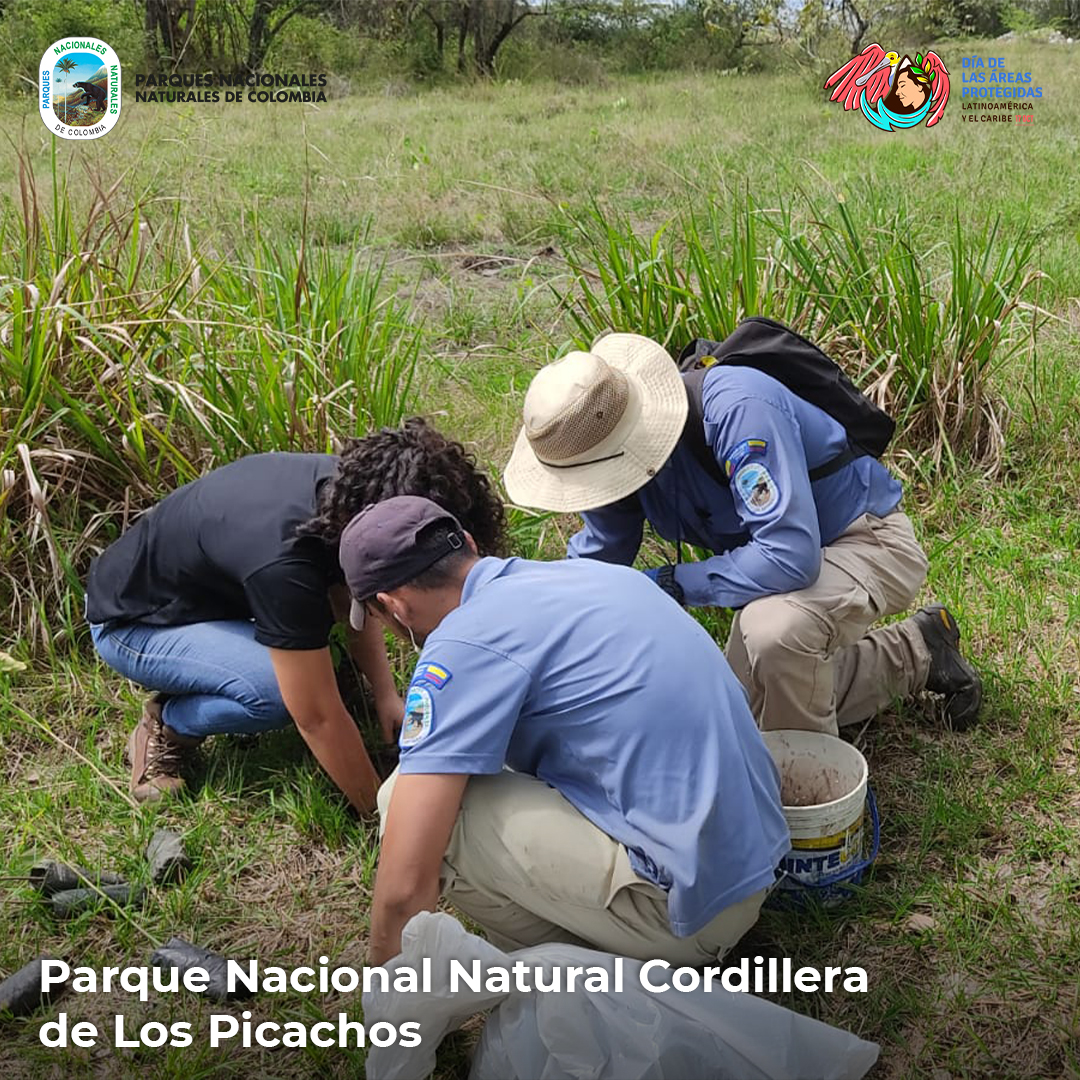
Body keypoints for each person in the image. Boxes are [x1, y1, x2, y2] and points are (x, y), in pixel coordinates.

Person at [342, 496, 790, 966]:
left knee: (405, 803)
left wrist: (386, 993)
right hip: (760, 861)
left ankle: (580, 970)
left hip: (689, 919)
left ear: (392, 607)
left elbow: (403, 885)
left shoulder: (463, 643)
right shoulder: (592, 575)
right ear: (469, 544)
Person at [502, 332, 982, 737]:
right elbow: (598, 560)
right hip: (777, 566)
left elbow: (790, 556)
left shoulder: (738, 409)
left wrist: (671, 584)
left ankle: (798, 801)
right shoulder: (603, 451)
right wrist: (540, 619)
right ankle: (920, 651)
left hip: (862, 540)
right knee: (728, 715)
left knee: (773, 635)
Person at [85, 419, 505, 809]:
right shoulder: (285, 562)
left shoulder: (359, 491)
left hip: (216, 593)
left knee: (316, 665)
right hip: (134, 623)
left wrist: (385, 695)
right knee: (274, 694)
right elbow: (317, 718)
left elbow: (354, 591)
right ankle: (168, 723)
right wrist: (381, 813)